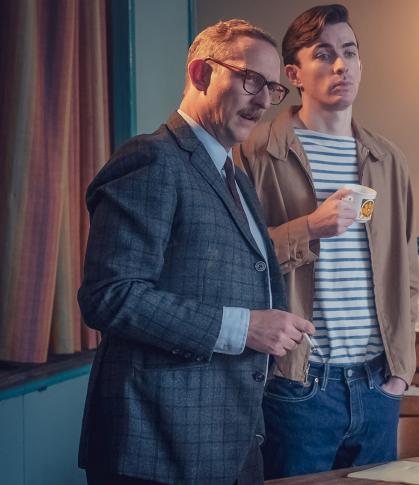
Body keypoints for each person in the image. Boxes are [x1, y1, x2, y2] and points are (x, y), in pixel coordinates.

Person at [77, 19, 315, 485]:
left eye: (272, 88)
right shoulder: (150, 159)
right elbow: (110, 296)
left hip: (232, 441)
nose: (264, 100)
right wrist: (244, 326)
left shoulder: (236, 175)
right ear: (202, 74)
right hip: (155, 448)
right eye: (251, 80)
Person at [236, 4, 419, 478]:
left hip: (378, 382)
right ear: (294, 73)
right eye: (324, 55)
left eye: (350, 52)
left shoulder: (388, 159)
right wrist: (310, 227)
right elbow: (235, 265)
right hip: (298, 384)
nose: (341, 66)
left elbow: (408, 273)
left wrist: (400, 372)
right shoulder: (255, 151)